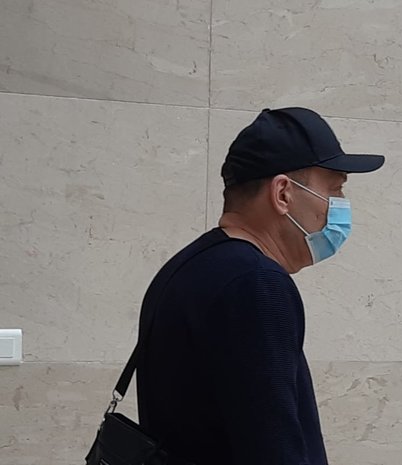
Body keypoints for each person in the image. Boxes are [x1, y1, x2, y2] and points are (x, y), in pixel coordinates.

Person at [136, 107, 385, 465]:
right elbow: (273, 448)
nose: (339, 207)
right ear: (283, 193)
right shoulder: (257, 284)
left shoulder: (189, 266)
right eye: (334, 190)